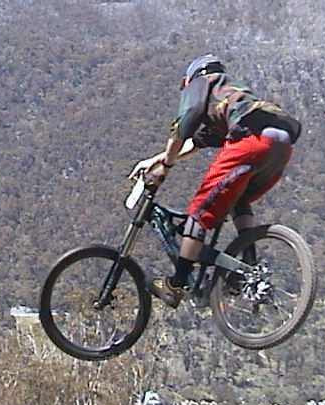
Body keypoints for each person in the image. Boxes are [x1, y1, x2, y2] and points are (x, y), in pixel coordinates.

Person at [129, 54, 302, 308]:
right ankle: (248, 266)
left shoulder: (203, 81)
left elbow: (186, 121)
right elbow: (196, 142)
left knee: (199, 213)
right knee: (237, 197)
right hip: (282, 145)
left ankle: (176, 285)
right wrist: (158, 159)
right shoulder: (230, 96)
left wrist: (165, 166)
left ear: (192, 77)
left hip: (251, 141)